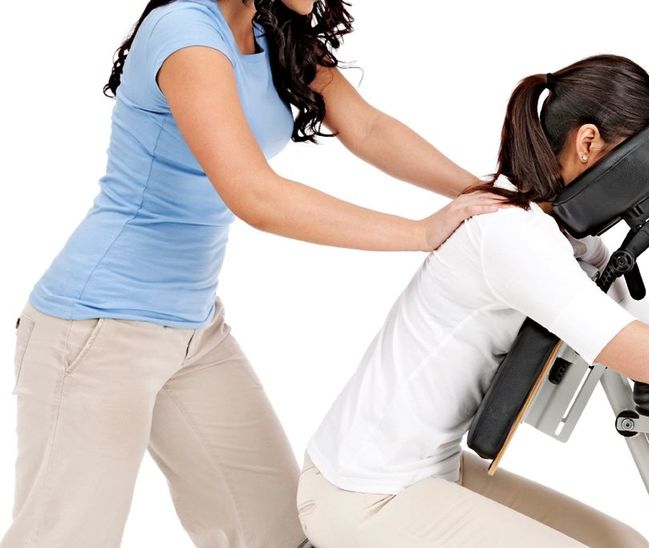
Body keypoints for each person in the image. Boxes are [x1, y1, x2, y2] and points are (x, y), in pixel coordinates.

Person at [3, 1, 506, 547]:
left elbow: (367, 126)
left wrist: (492, 195)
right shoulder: (185, 31)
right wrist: (420, 233)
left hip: (193, 331)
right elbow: (255, 195)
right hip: (98, 330)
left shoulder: (270, 32)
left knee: (279, 534)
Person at [296, 54, 649, 548]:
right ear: (588, 143)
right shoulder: (514, 236)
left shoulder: (569, 237)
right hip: (363, 494)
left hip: (430, 472)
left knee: (626, 545)